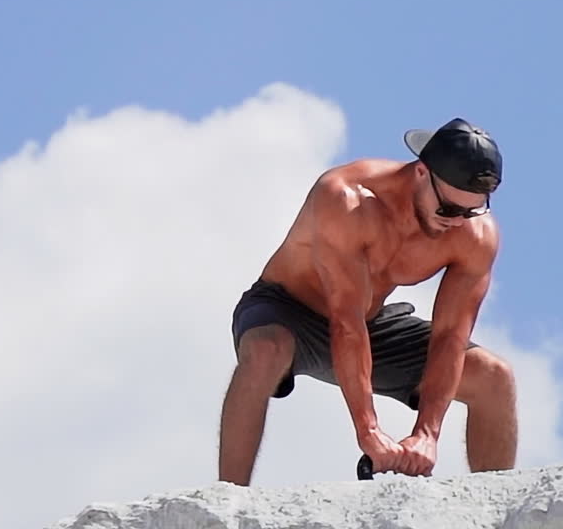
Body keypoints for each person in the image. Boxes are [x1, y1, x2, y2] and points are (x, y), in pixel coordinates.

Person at [218, 118, 517, 484]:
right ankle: (228, 506)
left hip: (372, 324)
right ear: (422, 173)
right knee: (265, 351)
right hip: (288, 310)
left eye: (471, 211)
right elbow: (345, 321)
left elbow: (450, 336)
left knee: (493, 377)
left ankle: (498, 516)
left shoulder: (476, 234)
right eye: (449, 210)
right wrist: (369, 431)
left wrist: (427, 433)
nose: (458, 223)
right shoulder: (346, 197)